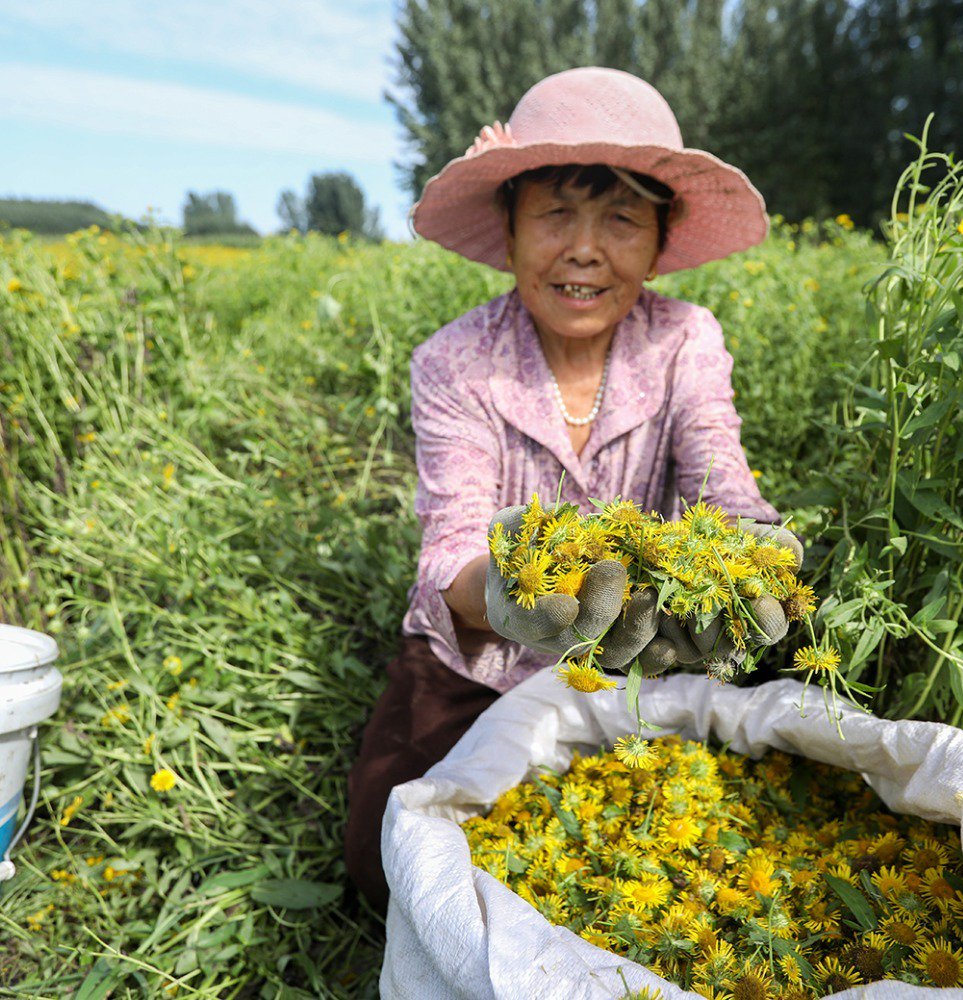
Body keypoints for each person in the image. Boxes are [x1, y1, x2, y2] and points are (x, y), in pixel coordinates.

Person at [343, 66, 804, 914]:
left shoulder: (684, 341)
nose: (585, 249)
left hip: (638, 659)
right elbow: (450, 549)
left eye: (622, 218)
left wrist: (750, 558)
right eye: (555, 213)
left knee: (675, 865)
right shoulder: (455, 361)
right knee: (389, 861)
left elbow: (722, 483)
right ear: (510, 230)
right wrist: (518, 597)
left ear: (660, 242)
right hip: (478, 664)